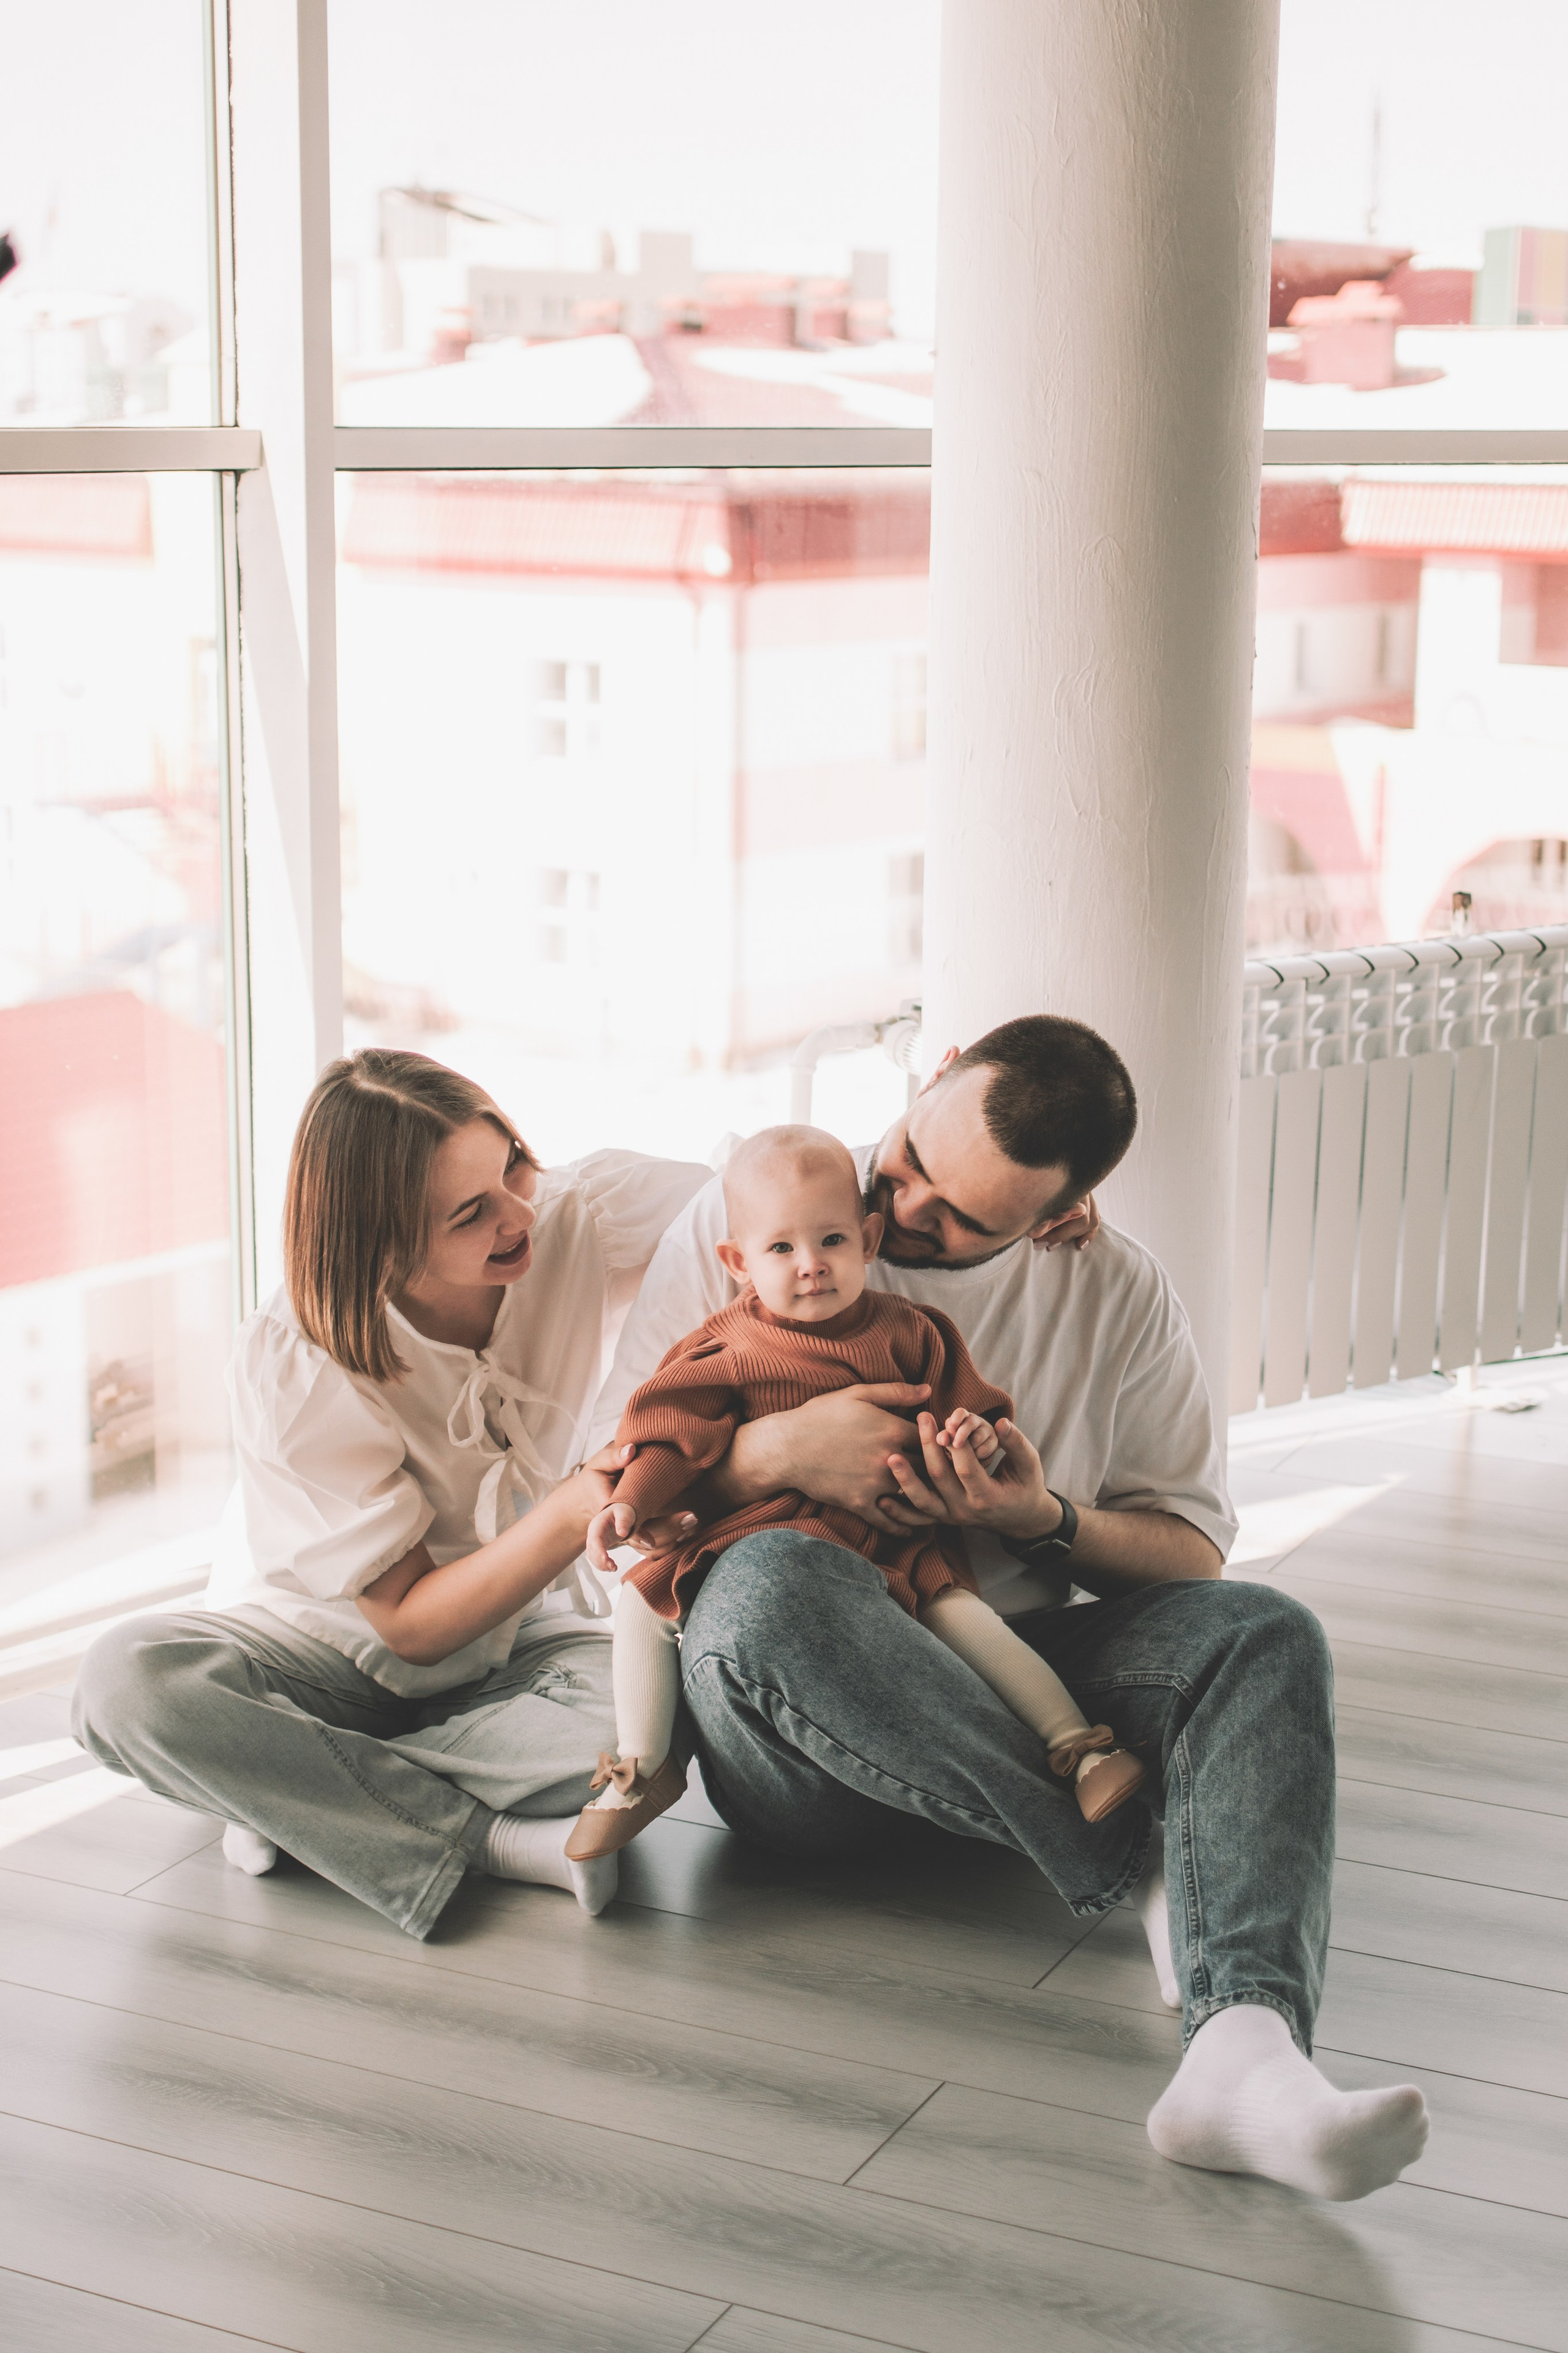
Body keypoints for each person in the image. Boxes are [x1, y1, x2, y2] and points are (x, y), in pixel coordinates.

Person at [589, 1015, 1430, 2202]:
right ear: (929, 1079)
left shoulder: (1107, 1286)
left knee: (1262, 1631)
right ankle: (1154, 1858)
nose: (900, 1210)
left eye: (959, 1217)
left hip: (1003, 1660)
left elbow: (1189, 1550)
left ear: (1049, 1221)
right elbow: (611, 1492)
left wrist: (1042, 1518)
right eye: (910, 1161)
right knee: (772, 1588)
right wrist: (772, 1453)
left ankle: (1242, 2055)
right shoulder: (753, 1217)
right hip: (801, 1733)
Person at [72, 1050, 709, 1939]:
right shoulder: (295, 1359)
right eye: (469, 1212)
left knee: (655, 1706)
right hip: (318, 1658)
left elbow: (759, 1197)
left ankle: (295, 1791)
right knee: (127, 1683)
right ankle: (488, 1838)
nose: (520, 1211)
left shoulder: (577, 1210)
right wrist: (573, 1508)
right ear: (387, 1245)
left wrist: (915, 1138)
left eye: (513, 1160)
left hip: (513, 1645)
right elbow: (412, 1625)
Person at [568, 1125, 1143, 1862]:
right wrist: (630, 1502)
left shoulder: (914, 1333)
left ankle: (1080, 1748)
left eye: (831, 1241)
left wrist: (976, 1436)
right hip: (762, 1543)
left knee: (966, 1619)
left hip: (890, 1548)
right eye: (781, 1250)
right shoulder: (726, 1346)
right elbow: (669, 1433)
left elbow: (977, 1406)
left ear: (869, 1239)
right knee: (642, 1597)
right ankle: (640, 1768)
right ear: (738, 1262)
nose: (811, 1266)